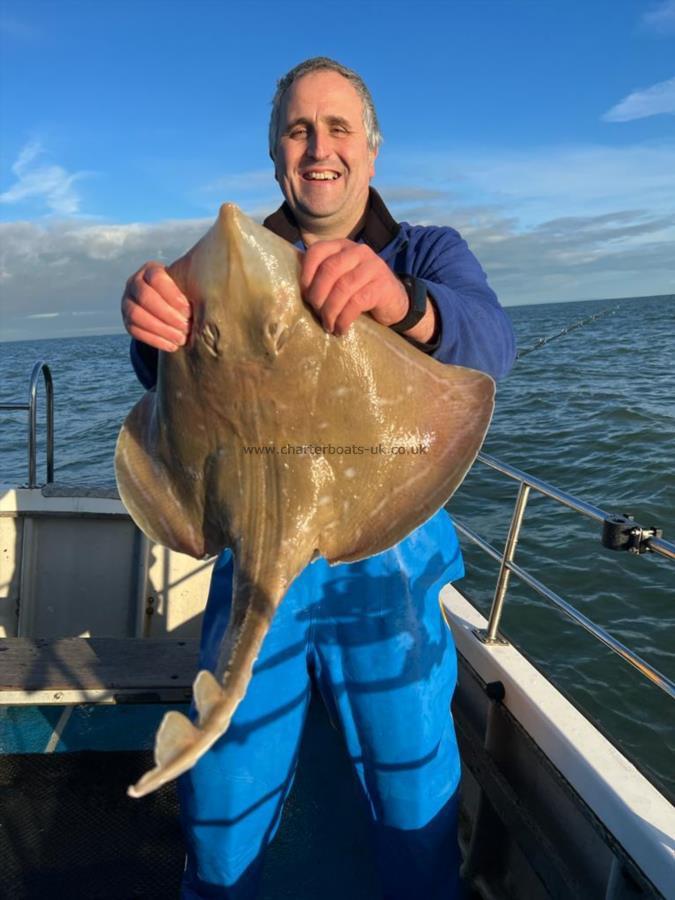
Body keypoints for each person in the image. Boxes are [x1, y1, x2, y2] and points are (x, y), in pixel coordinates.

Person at [121, 57, 515, 900]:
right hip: (257, 558)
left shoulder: (423, 250)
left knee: (411, 797)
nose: (318, 147)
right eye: (298, 130)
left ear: (369, 152)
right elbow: (167, 384)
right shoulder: (228, 264)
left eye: (337, 128)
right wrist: (149, 321)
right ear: (275, 156)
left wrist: (405, 303)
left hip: (389, 564)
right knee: (223, 797)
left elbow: (489, 344)